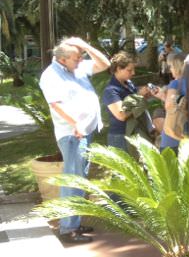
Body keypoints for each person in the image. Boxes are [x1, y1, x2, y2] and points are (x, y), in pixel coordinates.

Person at [39, 37, 110, 244]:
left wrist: (85, 46)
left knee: (80, 178)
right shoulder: (51, 75)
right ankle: (68, 228)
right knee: (72, 179)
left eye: (81, 57)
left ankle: (75, 222)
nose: (81, 61)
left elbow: (105, 64)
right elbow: (56, 104)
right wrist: (75, 124)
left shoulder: (76, 67)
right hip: (72, 134)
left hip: (84, 132)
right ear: (62, 60)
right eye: (76, 58)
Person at [102, 51, 156, 152]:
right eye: (129, 70)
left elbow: (134, 101)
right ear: (118, 68)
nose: (133, 73)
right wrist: (139, 96)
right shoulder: (111, 90)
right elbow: (121, 115)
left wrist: (145, 95)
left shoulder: (128, 83)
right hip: (120, 136)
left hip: (135, 132)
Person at [160, 52, 187, 151]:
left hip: (173, 137)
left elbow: (170, 105)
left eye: (171, 66)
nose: (170, 69)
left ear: (177, 67)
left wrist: (163, 97)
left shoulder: (175, 83)